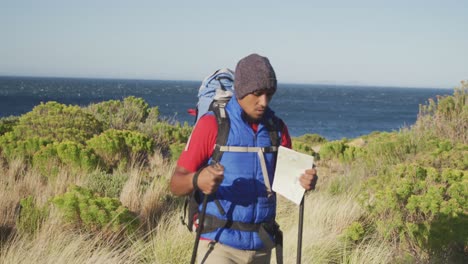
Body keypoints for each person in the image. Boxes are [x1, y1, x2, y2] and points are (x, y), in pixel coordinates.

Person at [170, 53, 318, 264]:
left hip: (262, 247)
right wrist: (197, 180)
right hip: (218, 245)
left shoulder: (277, 130)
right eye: (257, 93)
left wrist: (304, 182)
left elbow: (287, 184)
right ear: (240, 90)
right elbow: (175, 184)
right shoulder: (211, 125)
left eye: (269, 94)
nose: (263, 102)